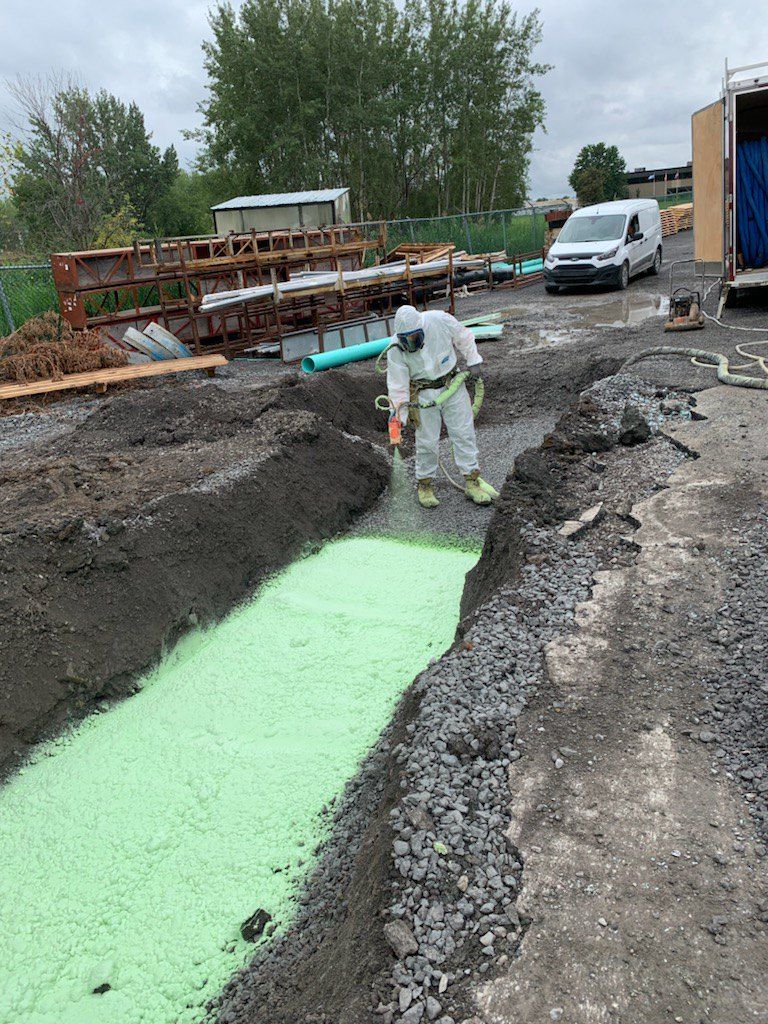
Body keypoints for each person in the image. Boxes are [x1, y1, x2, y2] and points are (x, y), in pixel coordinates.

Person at [386, 304, 500, 509]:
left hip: (452, 384)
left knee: (463, 433)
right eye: (406, 341)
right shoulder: (395, 349)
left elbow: (463, 336)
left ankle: (472, 480)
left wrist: (473, 360)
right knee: (427, 441)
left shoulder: (439, 320)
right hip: (422, 394)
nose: (411, 345)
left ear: (422, 329)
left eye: (415, 339)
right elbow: (397, 386)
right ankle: (425, 484)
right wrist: (399, 416)